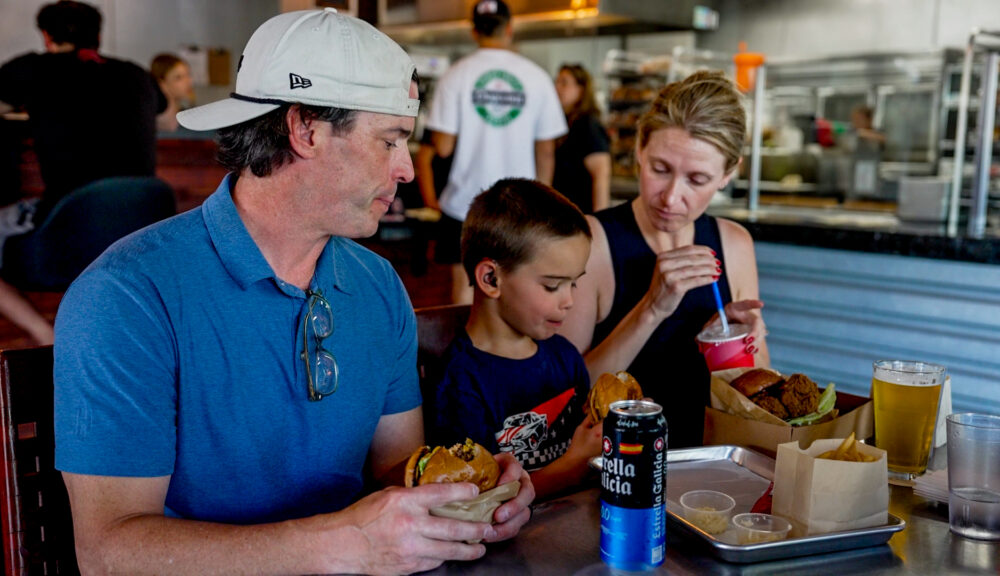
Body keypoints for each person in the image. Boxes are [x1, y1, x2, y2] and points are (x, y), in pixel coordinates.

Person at [53, 9, 533, 575]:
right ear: (305, 129)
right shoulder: (127, 296)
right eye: (390, 141)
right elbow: (109, 552)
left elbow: (396, 471)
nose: (406, 169)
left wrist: (465, 500)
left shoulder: (377, 284)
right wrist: (349, 543)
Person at [557, 70, 770, 449]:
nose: (671, 198)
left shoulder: (734, 244)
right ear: (640, 146)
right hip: (614, 465)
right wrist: (652, 308)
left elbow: (754, 402)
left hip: (708, 462)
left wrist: (741, 343)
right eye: (660, 169)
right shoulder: (591, 241)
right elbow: (563, 396)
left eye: (698, 179)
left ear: (728, 174)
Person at [0, 0, 165, 345]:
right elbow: (167, 120)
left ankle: (47, 338)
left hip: (64, 232)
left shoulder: (33, 69)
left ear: (47, 37)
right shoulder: (137, 74)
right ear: (99, 36)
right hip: (140, 239)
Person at [428, 178, 601, 501]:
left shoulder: (565, 357)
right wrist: (575, 463)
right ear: (491, 279)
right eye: (553, 286)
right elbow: (482, 501)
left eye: (574, 284)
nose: (569, 301)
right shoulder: (460, 384)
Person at [425, 0, 568, 305]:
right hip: (519, 208)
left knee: (464, 290)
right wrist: (541, 200)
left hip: (463, 205)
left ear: (474, 31)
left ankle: (466, 352)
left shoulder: (456, 75)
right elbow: (546, 150)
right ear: (510, 29)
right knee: (514, 288)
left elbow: (442, 146)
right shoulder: (537, 77)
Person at [553, 63, 612, 214]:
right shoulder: (562, 122)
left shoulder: (587, 125)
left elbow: (601, 174)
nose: (557, 87)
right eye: (557, 81)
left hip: (581, 214)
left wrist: (599, 219)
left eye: (564, 83)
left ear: (581, 89)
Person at [151, 52, 195, 133]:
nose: (188, 81)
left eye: (188, 75)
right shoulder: (153, 122)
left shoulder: (186, 117)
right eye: (178, 77)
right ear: (162, 83)